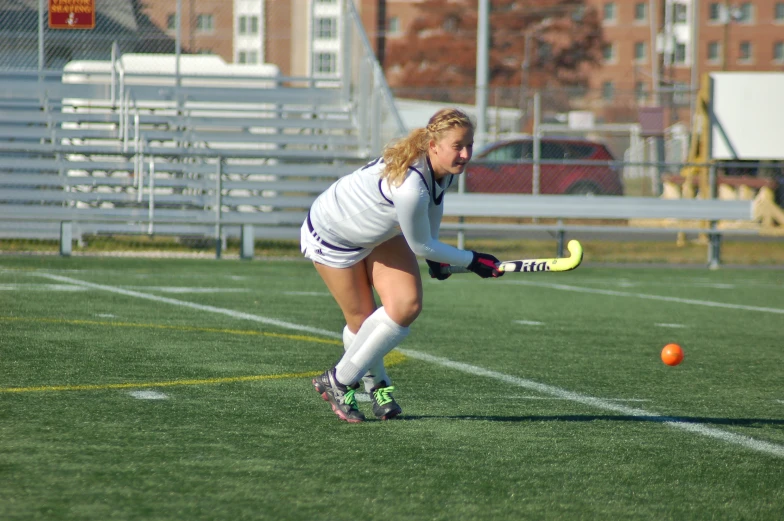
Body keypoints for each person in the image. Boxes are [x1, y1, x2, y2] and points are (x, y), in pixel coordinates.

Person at [301, 107, 504, 423]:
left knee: (406, 305)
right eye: (457, 146)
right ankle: (362, 383)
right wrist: (473, 260)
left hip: (381, 231)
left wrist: (440, 262)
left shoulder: (440, 170)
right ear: (433, 145)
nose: (465, 154)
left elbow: (432, 214)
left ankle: (342, 380)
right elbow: (421, 245)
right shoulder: (410, 185)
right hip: (332, 233)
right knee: (362, 319)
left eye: (469, 145)